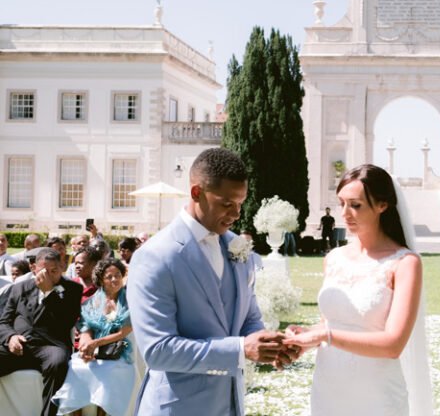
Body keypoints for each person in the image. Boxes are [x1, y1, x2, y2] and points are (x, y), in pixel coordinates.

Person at [127, 147, 297, 415]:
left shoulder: (237, 247)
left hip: (230, 405)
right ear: (197, 193)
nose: (237, 214)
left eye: (240, 204)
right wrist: (241, 349)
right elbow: (158, 350)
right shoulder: (155, 256)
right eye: (227, 203)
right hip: (176, 407)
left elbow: (248, 318)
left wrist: (270, 345)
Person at [284, 164, 433, 415]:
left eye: (356, 205)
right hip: (328, 388)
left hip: (376, 395)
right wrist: (303, 338)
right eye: (341, 203)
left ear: (382, 205)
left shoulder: (405, 263)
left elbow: (393, 344)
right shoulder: (333, 258)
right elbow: (331, 323)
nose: (345, 213)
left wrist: (324, 336)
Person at [0, 248, 83, 416]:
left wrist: (48, 292)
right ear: (34, 269)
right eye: (45, 271)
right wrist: (10, 337)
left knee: (58, 363)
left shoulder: (73, 289)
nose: (50, 276)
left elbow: (66, 322)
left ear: (62, 268)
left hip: (51, 346)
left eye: (55, 271)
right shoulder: (19, 288)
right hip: (19, 345)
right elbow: (3, 321)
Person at [53, 258, 136, 416]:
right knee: (76, 368)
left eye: (118, 275)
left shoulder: (130, 300)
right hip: (95, 350)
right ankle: (75, 413)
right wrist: (86, 346)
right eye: (109, 277)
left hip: (120, 349)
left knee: (109, 371)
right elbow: (86, 327)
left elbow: (123, 332)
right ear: (101, 280)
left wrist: (95, 343)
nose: (115, 279)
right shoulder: (92, 301)